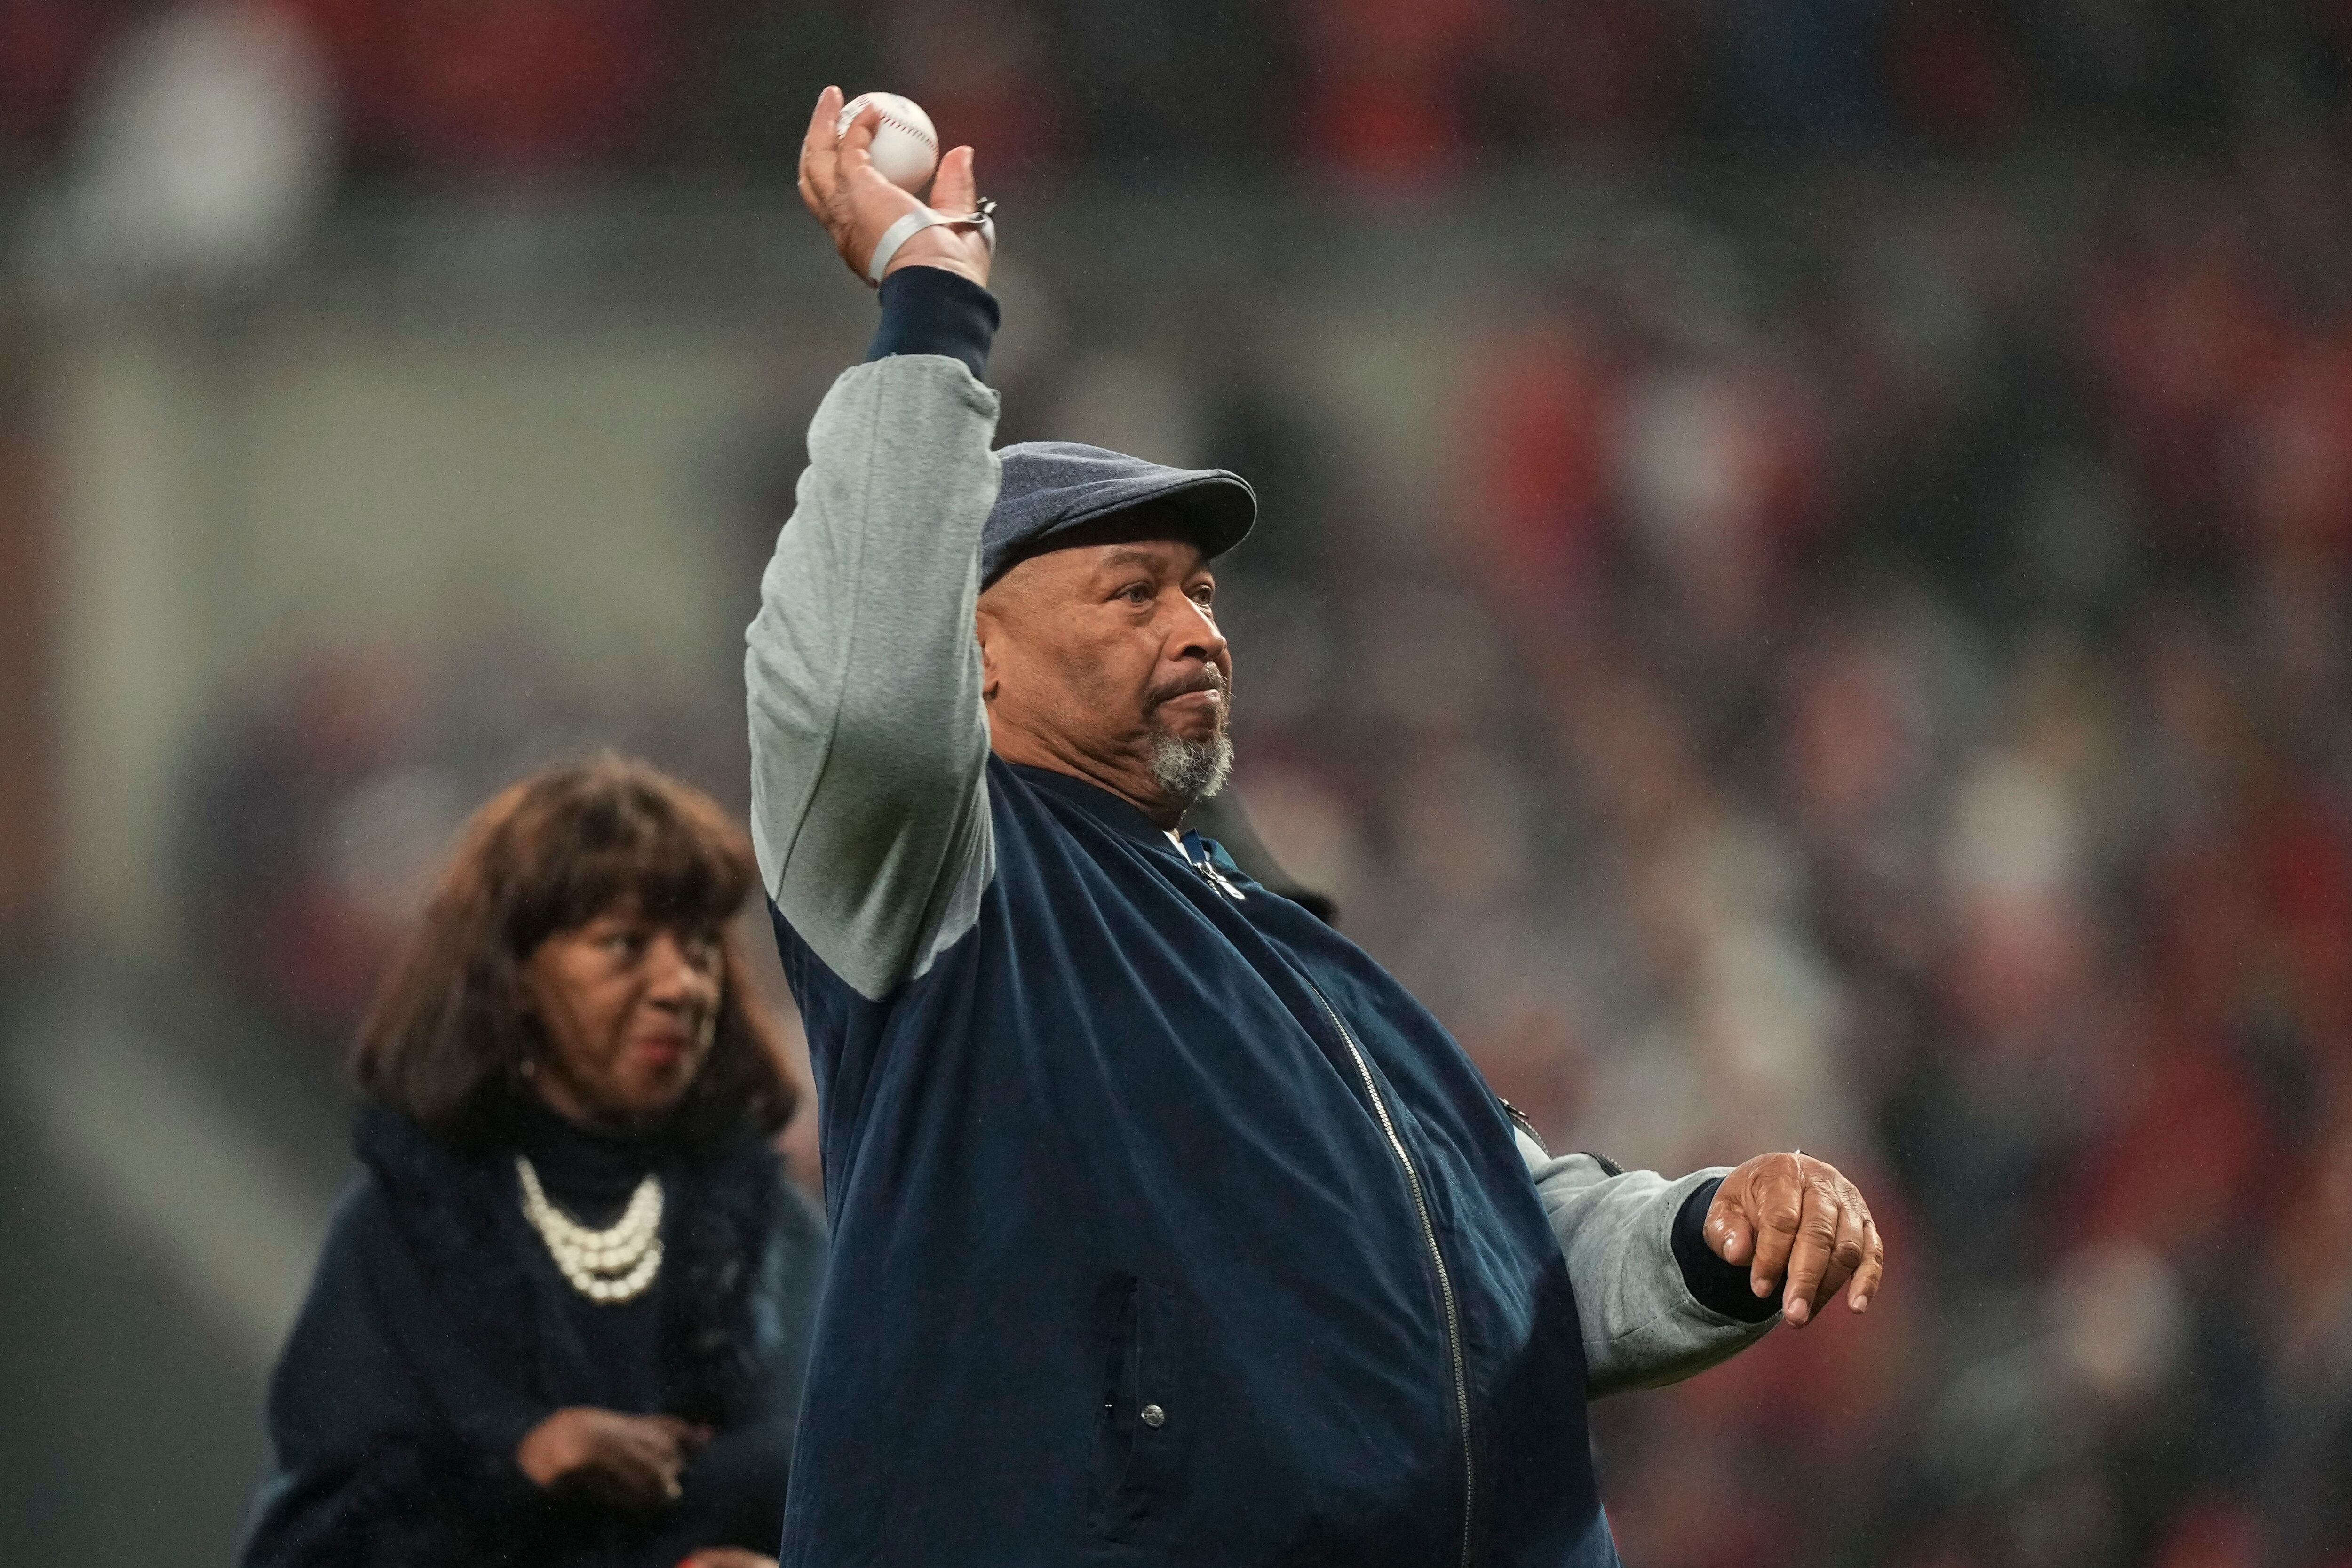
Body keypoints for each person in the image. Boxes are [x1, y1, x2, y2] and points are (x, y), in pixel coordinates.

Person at [749, 91, 1887, 1566]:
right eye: (1134, 589)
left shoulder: (1281, 935)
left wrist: (1707, 1230)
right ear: (970, 651)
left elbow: (1502, 1233)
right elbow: (854, 700)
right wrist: (932, 306)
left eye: (1205, 593)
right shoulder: (949, 894)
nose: (1199, 624)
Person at [242, 758, 827, 1568]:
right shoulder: (405, 1237)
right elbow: (306, 1549)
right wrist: (526, 1465)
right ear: (515, 978)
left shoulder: (778, 1235)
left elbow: (888, 1500)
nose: (680, 983)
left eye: (699, 948)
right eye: (625, 944)